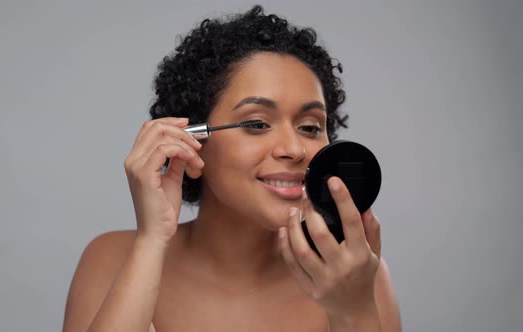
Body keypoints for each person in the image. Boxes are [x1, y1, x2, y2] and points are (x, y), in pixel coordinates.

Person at [63, 5, 401, 332]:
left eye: (311, 128)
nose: (295, 149)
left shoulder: (354, 275)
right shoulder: (111, 260)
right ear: (192, 140)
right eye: (256, 123)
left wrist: (353, 311)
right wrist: (152, 241)